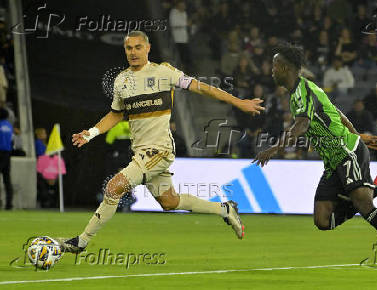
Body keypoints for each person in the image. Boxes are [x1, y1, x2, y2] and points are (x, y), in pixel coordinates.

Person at [59, 31, 264, 252]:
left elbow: (202, 88)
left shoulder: (164, 72)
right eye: (129, 48)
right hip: (141, 153)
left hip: (159, 150)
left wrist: (239, 102)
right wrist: (90, 133)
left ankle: (82, 241)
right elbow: (116, 114)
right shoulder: (121, 81)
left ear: (148, 48)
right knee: (169, 202)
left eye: (138, 47)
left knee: (113, 187)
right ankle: (225, 209)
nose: (133, 52)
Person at [252, 44, 377, 281]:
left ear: (284, 67)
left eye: (274, 66)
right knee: (323, 220)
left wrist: (273, 149)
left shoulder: (304, 92)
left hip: (347, 153)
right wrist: (357, 133)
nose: (271, 71)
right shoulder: (301, 93)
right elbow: (337, 113)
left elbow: (301, 125)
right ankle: (375, 188)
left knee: (366, 208)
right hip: (333, 162)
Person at [0, 108, 13, 209]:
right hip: (7, 153)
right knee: (7, 179)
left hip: (0, 152)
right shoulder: (9, 126)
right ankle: (9, 203)